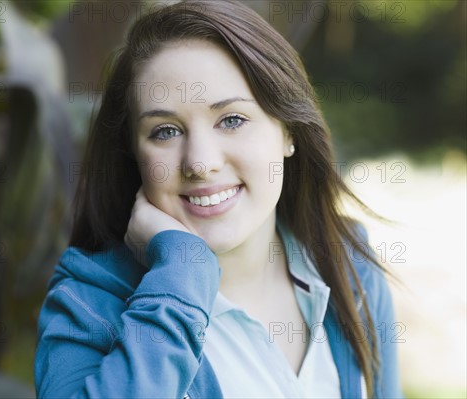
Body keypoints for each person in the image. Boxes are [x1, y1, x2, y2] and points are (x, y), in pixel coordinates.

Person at [35, 1, 403, 397]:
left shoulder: (351, 267)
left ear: (289, 132)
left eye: (231, 120)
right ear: (133, 155)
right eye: (165, 131)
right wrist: (182, 273)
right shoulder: (87, 306)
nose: (200, 163)